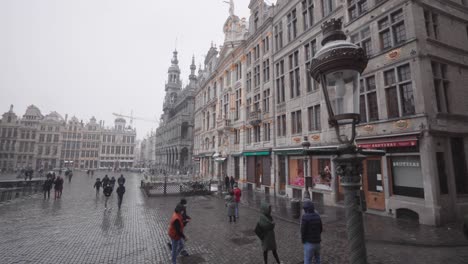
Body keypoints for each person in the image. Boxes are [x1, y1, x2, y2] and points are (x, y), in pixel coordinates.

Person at [301, 200, 323, 264]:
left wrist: (303, 240)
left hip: (309, 243)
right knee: (318, 258)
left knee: (307, 259)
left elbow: (303, 231)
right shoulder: (317, 216)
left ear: (306, 209)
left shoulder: (305, 217)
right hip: (317, 243)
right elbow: (321, 229)